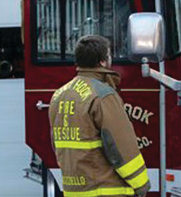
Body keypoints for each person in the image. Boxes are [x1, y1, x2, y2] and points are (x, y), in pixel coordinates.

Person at [49, 35, 150, 196]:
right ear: (103, 62)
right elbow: (120, 146)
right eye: (109, 55)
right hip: (106, 191)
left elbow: (57, 145)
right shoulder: (103, 95)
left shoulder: (59, 95)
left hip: (75, 191)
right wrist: (141, 184)